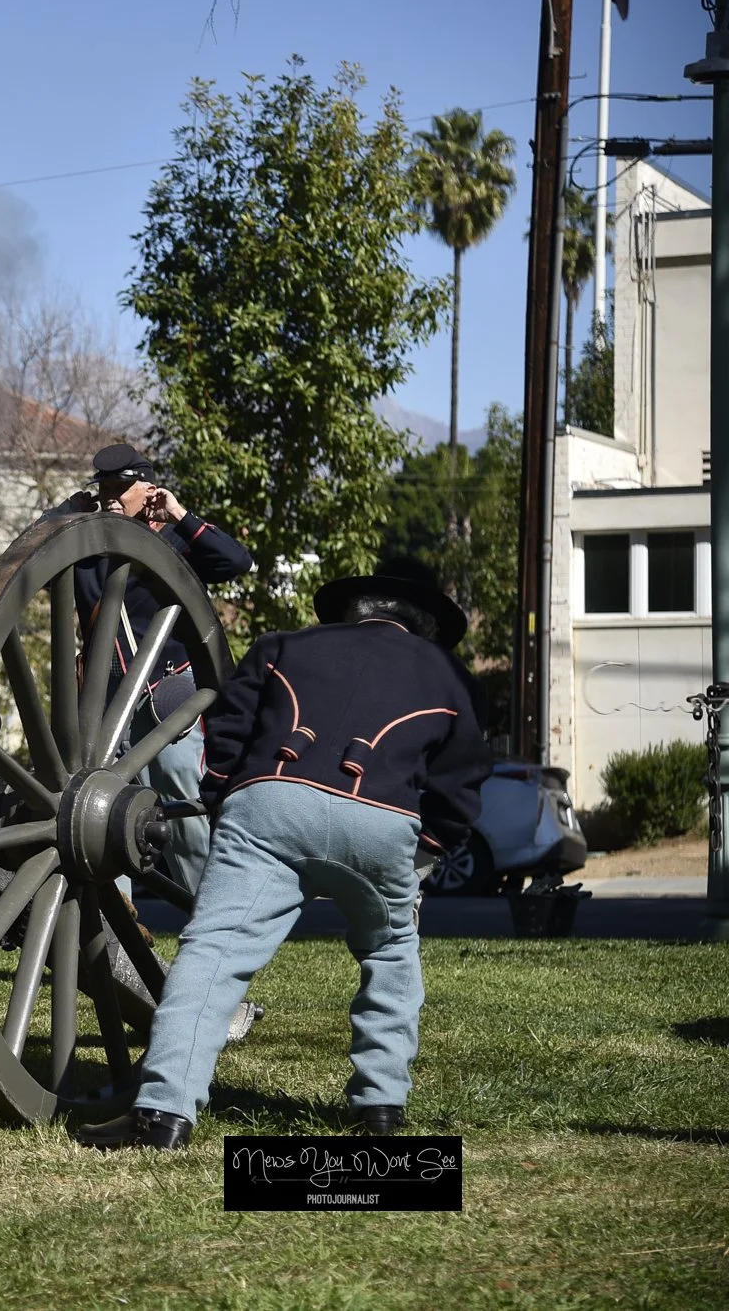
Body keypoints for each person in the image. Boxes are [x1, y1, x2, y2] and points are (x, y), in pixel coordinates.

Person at [77, 557, 490, 1150]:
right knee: (393, 952)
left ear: (351, 611)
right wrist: (427, 846)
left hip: (268, 806)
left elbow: (226, 728)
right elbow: (464, 776)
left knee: (213, 952)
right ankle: (380, 1112)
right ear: (425, 622)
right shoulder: (449, 677)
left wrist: (223, 797)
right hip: (381, 819)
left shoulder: (284, 644)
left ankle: (164, 1115)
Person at [70, 443, 253, 895]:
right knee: (99, 816)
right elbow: (24, 559)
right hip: (105, 699)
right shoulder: (86, 547)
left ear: (147, 488)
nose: (110, 496)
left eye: (121, 487)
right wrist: (64, 510)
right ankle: (113, 936)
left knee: (182, 812)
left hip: (163, 693)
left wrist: (180, 515)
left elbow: (236, 561)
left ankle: (211, 920)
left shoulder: (172, 543)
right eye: (105, 488)